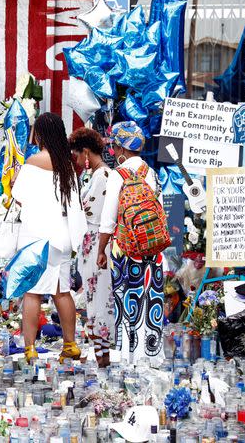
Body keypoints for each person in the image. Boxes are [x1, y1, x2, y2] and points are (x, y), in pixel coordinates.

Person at [12, 112, 87, 363]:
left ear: (40, 134)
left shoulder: (33, 162)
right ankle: (70, 344)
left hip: (36, 236)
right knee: (62, 292)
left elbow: (18, 196)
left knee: (32, 292)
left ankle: (30, 347)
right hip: (61, 235)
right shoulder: (68, 165)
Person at [96, 121, 164, 366]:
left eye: (114, 147)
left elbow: (108, 219)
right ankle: (151, 353)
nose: (113, 152)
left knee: (126, 299)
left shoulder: (119, 174)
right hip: (153, 250)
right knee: (150, 297)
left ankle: (128, 354)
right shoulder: (152, 173)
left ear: (122, 149)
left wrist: (101, 249)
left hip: (126, 249)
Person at [69, 127, 113, 368]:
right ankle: (100, 356)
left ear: (86, 152)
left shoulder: (102, 177)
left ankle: (102, 359)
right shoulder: (96, 176)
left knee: (97, 302)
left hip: (98, 247)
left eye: (76, 155)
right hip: (92, 246)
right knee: (93, 301)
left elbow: (89, 213)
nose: (76, 160)